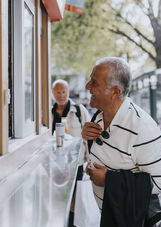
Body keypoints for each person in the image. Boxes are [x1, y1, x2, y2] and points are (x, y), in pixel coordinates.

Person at [82, 57, 161, 226]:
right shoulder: (98, 117)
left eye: (94, 82)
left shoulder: (142, 127)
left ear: (115, 91)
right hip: (111, 216)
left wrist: (109, 180)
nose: (87, 87)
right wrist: (86, 139)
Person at [51, 79, 92, 227]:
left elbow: (89, 139)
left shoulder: (79, 111)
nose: (61, 95)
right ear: (52, 93)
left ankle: (74, 224)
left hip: (77, 163)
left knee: (77, 199)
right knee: (59, 199)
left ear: (68, 92)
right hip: (55, 165)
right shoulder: (48, 112)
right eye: (58, 92)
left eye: (64, 92)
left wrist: (90, 161)